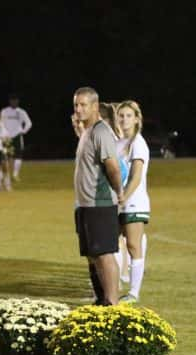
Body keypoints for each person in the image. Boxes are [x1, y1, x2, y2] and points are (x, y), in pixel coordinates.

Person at [72, 87, 123, 306]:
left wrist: (119, 191)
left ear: (95, 106)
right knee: (93, 255)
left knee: (104, 254)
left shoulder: (101, 131)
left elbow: (112, 167)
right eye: (76, 105)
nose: (78, 109)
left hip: (99, 203)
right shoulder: (87, 131)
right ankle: (101, 299)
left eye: (83, 104)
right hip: (85, 205)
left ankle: (112, 302)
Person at [115, 100, 150, 303]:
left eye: (129, 115)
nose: (124, 119)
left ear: (137, 119)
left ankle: (134, 293)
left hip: (134, 202)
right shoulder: (119, 144)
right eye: (121, 115)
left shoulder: (139, 143)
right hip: (118, 201)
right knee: (111, 244)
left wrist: (123, 198)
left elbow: (136, 177)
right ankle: (113, 284)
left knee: (133, 245)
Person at [0, 94, 32, 182]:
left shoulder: (21, 112)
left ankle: (15, 175)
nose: (14, 102)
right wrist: (4, 134)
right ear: (10, 101)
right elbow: (1, 124)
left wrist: (23, 131)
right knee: (5, 157)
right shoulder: (4, 111)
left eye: (16, 100)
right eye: (12, 100)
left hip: (17, 137)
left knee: (18, 156)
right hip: (6, 138)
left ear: (18, 101)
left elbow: (29, 123)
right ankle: (5, 175)